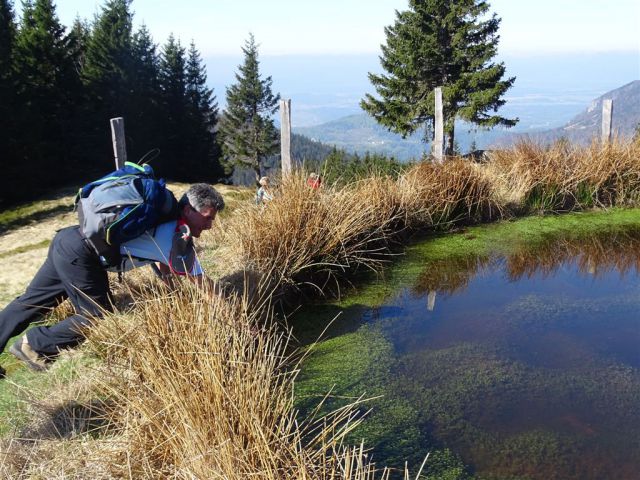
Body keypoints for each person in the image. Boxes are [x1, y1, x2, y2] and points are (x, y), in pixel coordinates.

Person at [0, 183, 224, 375]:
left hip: (68, 238)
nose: (209, 225)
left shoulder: (161, 216)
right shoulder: (177, 236)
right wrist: (237, 320)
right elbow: (206, 287)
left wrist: (173, 293)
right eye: (207, 218)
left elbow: (164, 264)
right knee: (97, 314)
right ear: (188, 209)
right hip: (83, 254)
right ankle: (35, 343)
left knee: (30, 302)